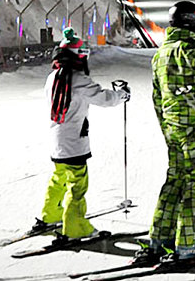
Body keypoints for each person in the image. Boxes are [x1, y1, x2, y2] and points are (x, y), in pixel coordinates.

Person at [139, 1, 195, 262]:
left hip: (173, 128)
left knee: (175, 180)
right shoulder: (194, 50)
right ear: (190, 21)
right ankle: (189, 242)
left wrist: (167, 128)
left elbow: (157, 97)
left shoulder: (161, 53)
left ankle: (161, 237)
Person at [37, 27, 130, 241]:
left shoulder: (53, 76)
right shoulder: (76, 78)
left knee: (59, 177)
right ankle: (75, 227)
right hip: (73, 141)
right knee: (77, 183)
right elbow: (104, 98)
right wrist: (122, 95)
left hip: (58, 140)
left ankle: (50, 214)